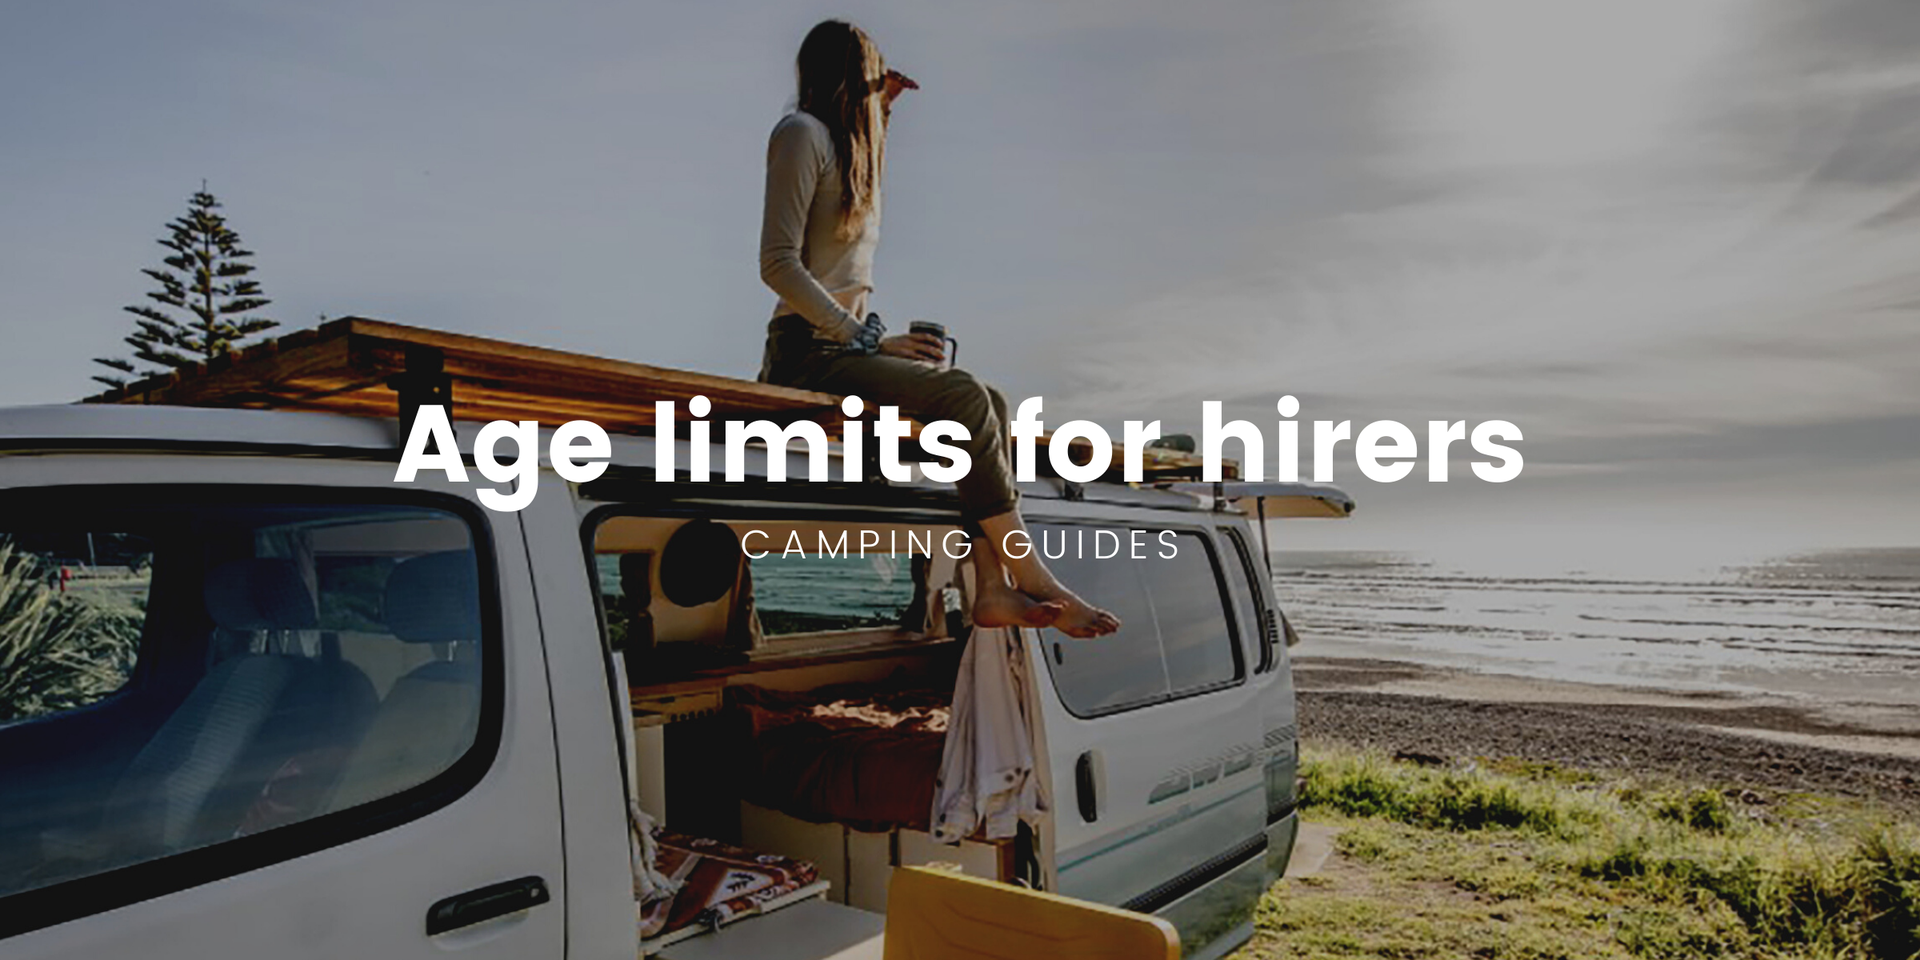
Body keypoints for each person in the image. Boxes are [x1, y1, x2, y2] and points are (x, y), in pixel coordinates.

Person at [756, 20, 1119, 639]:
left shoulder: (845, 151)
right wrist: (867, 339)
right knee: (963, 397)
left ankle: (994, 587)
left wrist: (884, 120)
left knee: (991, 405)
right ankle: (1031, 574)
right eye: (873, 76)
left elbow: (846, 212)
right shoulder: (800, 134)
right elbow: (777, 264)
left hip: (843, 343)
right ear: (850, 75)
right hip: (807, 351)